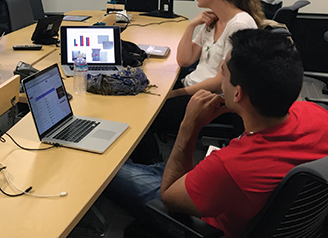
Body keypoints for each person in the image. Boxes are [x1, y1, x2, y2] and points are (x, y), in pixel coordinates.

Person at [106, 29, 328, 238]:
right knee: (143, 166)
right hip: (228, 191)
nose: (220, 78)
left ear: (238, 93)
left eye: (223, 72)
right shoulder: (317, 113)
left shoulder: (230, 166)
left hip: (201, 219)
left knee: (106, 169)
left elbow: (169, 196)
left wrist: (189, 126)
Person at [132, 0, 264, 163]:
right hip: (193, 87)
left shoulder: (240, 25)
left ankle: (153, 166)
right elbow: (185, 60)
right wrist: (191, 25)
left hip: (213, 98)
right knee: (140, 102)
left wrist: (177, 93)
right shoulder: (214, 20)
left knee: (143, 120)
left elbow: (221, 82)